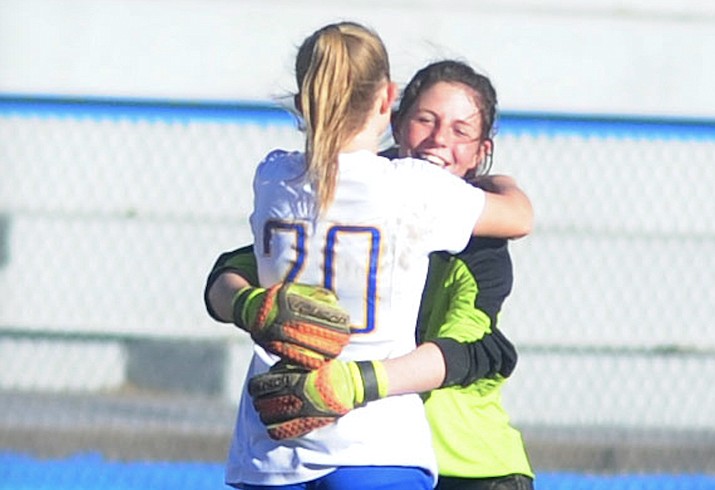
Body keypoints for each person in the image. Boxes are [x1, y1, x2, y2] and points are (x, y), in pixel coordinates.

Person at [206, 21, 532, 490]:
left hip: (274, 448)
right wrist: (504, 181)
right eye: (426, 120)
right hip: (376, 445)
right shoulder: (417, 192)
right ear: (389, 106)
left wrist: (246, 305)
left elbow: (232, 271)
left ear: (303, 104)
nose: (440, 140)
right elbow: (518, 216)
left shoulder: (274, 179)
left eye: (460, 129)